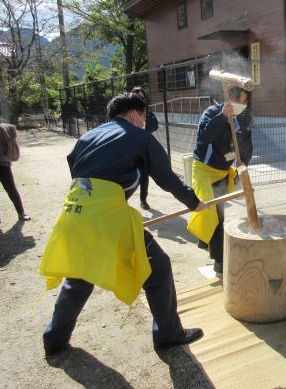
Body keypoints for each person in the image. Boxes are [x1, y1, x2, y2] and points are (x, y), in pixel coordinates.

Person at [39, 93, 207, 356]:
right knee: (158, 267)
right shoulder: (140, 137)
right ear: (132, 115)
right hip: (107, 218)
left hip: (75, 211)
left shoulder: (87, 137)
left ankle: (54, 339)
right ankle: (168, 334)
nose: (145, 121)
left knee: (80, 275)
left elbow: (76, 168)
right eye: (144, 115)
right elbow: (166, 178)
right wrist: (194, 203)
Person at [187, 86, 251, 274]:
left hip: (223, 172)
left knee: (218, 214)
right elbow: (204, 137)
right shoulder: (212, 112)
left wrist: (243, 164)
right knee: (214, 215)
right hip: (206, 172)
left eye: (246, 101)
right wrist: (223, 116)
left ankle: (215, 251)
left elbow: (247, 144)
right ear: (231, 99)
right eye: (242, 100)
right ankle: (220, 261)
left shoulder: (241, 118)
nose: (244, 104)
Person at [130, 87, 159, 210]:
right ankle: (122, 200)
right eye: (137, 97)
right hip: (129, 147)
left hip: (142, 147)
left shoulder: (146, 111)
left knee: (144, 174)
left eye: (142, 97)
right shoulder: (126, 112)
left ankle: (143, 199)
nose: (140, 99)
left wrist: (146, 126)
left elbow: (155, 125)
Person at [0, 122, 31, 227]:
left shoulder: (2, 130)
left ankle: (21, 213)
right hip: (3, 162)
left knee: (11, 189)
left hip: (3, 164)